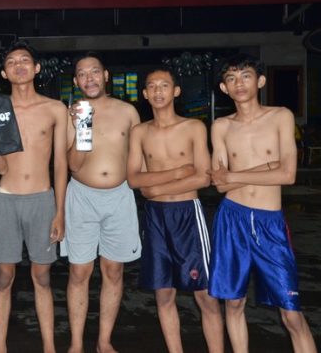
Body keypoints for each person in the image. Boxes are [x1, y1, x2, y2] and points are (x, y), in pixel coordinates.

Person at [208, 54, 317, 353]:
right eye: (231, 78)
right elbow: (220, 184)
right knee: (233, 303)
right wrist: (267, 167)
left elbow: (288, 174)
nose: (239, 83)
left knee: (291, 312)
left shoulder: (280, 116)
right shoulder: (221, 126)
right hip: (232, 219)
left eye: (246, 75)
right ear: (224, 88)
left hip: (270, 222)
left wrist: (235, 174)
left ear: (260, 81)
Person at [126, 67, 224, 353]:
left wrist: (154, 189)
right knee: (164, 294)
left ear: (176, 91)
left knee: (205, 295)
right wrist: (178, 172)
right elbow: (134, 179)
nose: (158, 91)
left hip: (187, 215)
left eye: (164, 85)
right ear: (144, 94)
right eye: (152, 86)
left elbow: (203, 177)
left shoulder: (193, 127)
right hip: (156, 218)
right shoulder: (139, 132)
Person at [0, 41, 68, 353]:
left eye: (24, 60)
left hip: (42, 200)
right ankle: (1, 347)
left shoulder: (55, 109)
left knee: (42, 277)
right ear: (4, 73)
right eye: (11, 62)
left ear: (36, 68)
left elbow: (61, 163)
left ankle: (49, 346)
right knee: (3, 278)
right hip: (6, 199)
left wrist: (60, 211)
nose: (18, 65)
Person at [64, 52, 141, 353]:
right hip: (82, 196)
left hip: (120, 196)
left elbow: (138, 158)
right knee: (79, 272)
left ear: (105, 75)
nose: (90, 78)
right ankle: (75, 344)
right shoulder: (71, 114)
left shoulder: (128, 112)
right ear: (76, 81)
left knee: (113, 271)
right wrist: (81, 126)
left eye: (94, 71)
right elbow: (73, 165)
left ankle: (104, 341)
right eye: (82, 74)